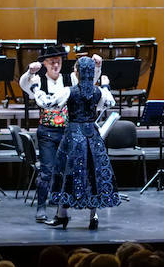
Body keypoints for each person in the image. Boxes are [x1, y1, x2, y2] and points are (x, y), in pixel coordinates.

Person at [46, 56, 121, 230]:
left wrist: (36, 90)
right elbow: (109, 103)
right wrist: (105, 86)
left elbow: (52, 105)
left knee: (67, 172)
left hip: (73, 136)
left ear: (78, 73)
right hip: (92, 136)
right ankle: (93, 215)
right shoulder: (98, 92)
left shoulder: (69, 91)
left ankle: (61, 215)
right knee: (92, 173)